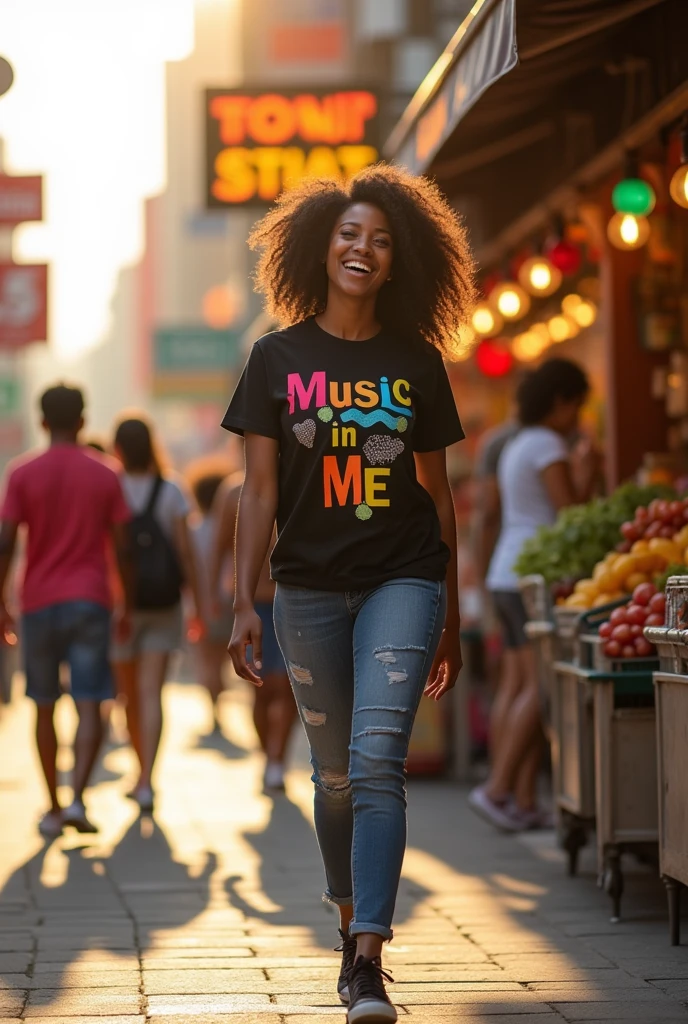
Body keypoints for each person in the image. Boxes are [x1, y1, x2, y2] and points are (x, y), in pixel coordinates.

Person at [222, 164, 474, 1023]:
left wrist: (453, 612)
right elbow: (257, 491)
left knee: (376, 765)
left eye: (380, 240)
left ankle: (368, 957)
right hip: (307, 592)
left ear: (399, 262)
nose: (362, 248)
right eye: (349, 234)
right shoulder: (275, 358)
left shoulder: (416, 362)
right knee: (333, 779)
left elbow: (439, 497)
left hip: (404, 578)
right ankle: (347, 921)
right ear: (320, 246)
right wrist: (238, 601)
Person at [470, 358, 597, 831]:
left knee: (517, 685)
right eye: (577, 406)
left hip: (507, 572)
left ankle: (519, 798)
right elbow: (571, 513)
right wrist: (588, 471)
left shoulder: (518, 441)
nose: (579, 418)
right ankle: (498, 789)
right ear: (561, 402)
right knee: (538, 689)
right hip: (534, 575)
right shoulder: (547, 444)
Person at [0, 384, 132, 837]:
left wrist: (2, 603)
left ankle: (52, 807)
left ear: (41, 422)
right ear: (82, 421)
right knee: (91, 700)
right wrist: (126, 602)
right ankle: (78, 798)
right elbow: (122, 546)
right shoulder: (106, 473)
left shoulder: (21, 473)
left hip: (37, 601)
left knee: (41, 703)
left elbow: (5, 541)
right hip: (91, 599)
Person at [110, 416, 203, 813]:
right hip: (164, 603)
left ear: (118, 448)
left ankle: (138, 771)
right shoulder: (172, 489)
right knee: (151, 693)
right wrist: (198, 602)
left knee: (127, 695)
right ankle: (148, 779)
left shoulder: (110, 487)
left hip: (118, 606)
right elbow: (185, 552)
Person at [210, 470, 297, 790]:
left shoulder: (298, 481)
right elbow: (218, 547)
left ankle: (278, 758)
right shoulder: (234, 492)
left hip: (293, 602)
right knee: (261, 688)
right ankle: (268, 754)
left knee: (290, 686)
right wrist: (210, 598)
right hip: (255, 607)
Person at [187, 467, 230, 730]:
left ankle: (213, 708)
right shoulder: (232, 526)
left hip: (199, 602)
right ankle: (218, 702)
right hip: (227, 599)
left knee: (207, 660)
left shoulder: (194, 529)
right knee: (222, 659)